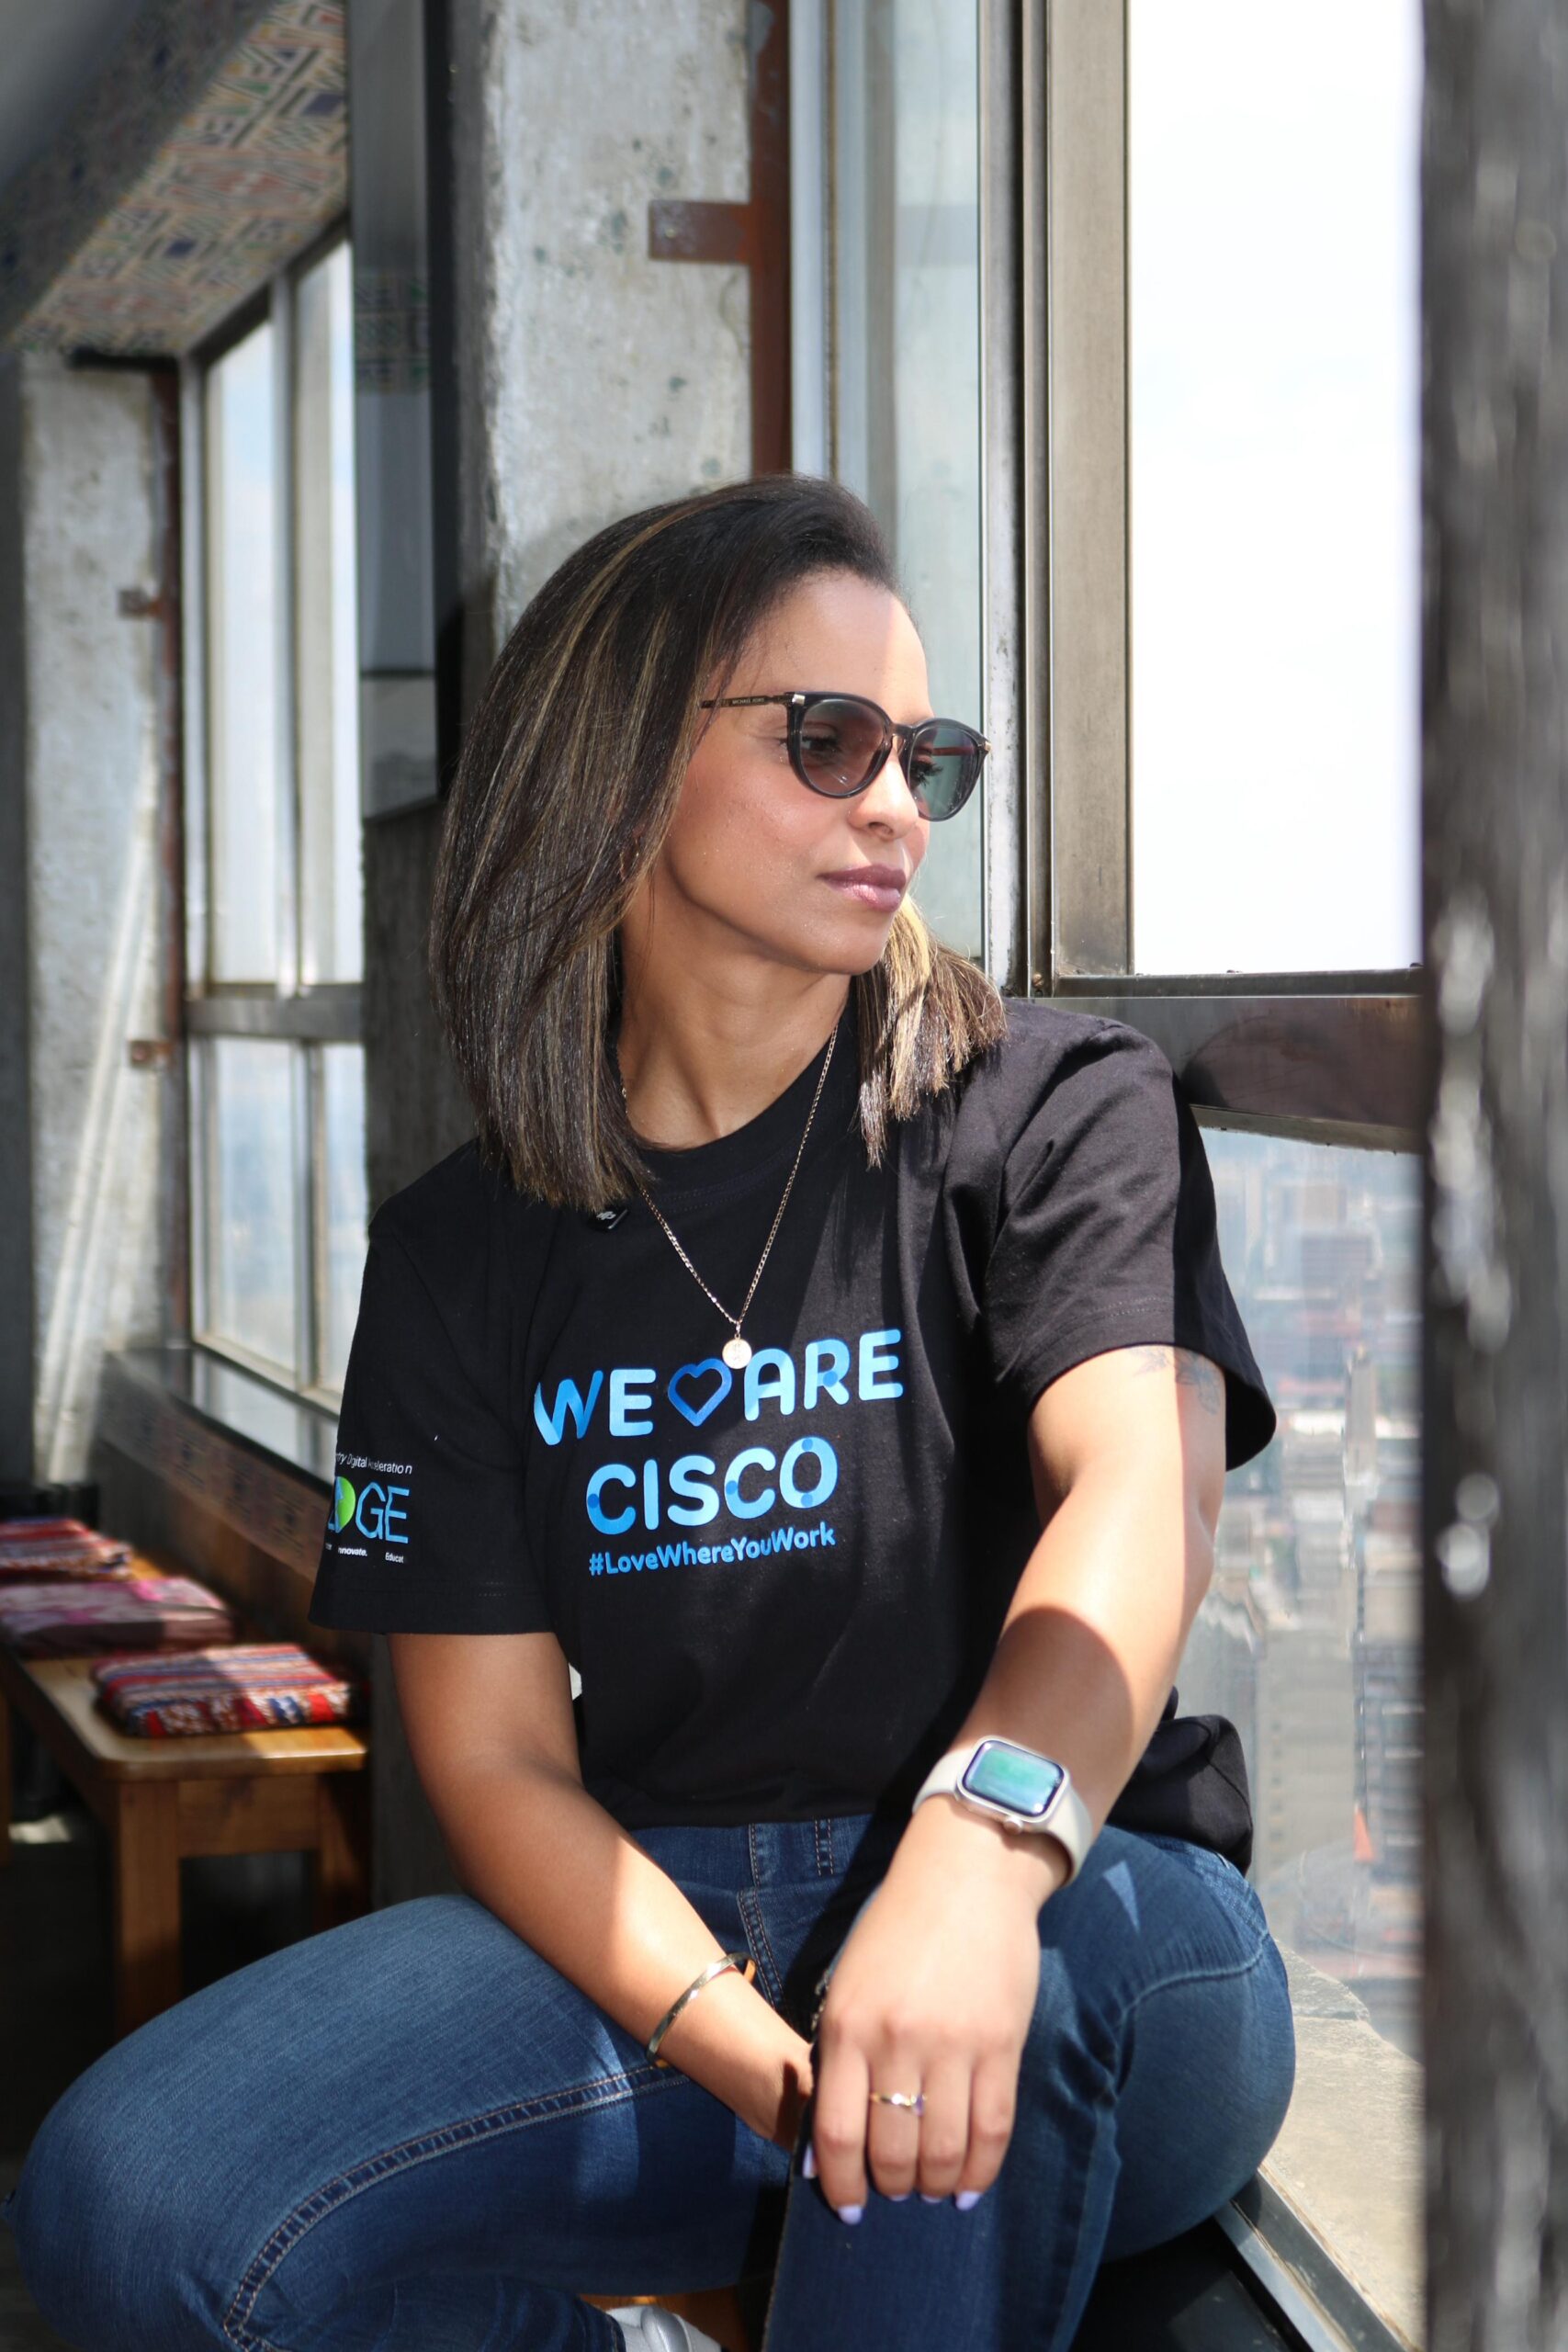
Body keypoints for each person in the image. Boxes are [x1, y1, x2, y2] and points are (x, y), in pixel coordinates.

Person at [3, 474, 1294, 2352]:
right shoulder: (462, 1253)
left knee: (958, 2052)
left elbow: (1136, 1506)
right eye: (826, 736)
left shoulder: (1050, 1106)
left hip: (1080, 1880)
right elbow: (500, 1758)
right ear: (615, 766)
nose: (890, 804)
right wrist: (750, 2048)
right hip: (667, 1942)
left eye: (922, 755)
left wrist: (966, 1854)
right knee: (130, 2193)